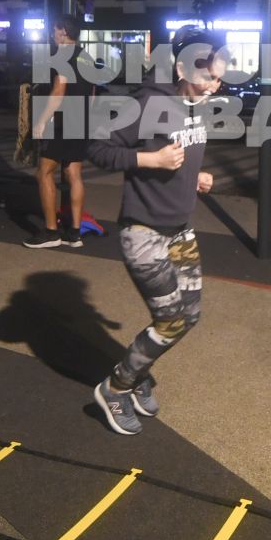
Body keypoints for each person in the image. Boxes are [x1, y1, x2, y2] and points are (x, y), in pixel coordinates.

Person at [86, 26, 222, 435]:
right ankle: (115, 387)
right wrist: (152, 161)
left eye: (218, 77)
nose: (215, 85)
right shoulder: (149, 101)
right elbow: (97, 146)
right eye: (208, 77)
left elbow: (179, 149)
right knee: (170, 322)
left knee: (189, 316)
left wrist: (196, 176)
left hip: (180, 231)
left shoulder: (193, 101)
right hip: (143, 233)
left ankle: (138, 371)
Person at [24, 14, 90, 249]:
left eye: (54, 30)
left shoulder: (62, 55)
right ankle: (74, 233)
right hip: (81, 119)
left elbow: (58, 91)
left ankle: (51, 232)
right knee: (74, 174)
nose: (52, 35)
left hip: (63, 121)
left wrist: (42, 120)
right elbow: (91, 93)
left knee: (43, 173)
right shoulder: (85, 56)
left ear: (63, 31)